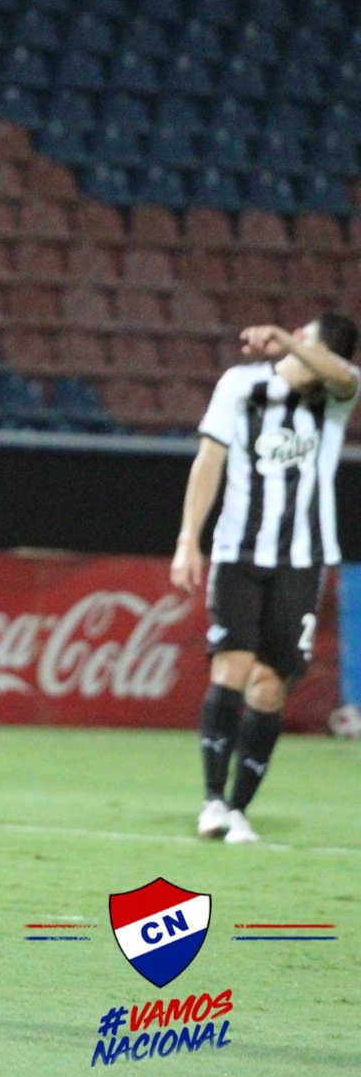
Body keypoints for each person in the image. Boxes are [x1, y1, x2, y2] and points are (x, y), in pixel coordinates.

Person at [173, 312, 358, 844]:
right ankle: (211, 799)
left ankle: (238, 809)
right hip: (238, 553)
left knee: (271, 687)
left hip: (302, 561)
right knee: (230, 668)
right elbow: (209, 460)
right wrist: (189, 538)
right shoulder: (241, 384)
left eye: (306, 335)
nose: (294, 337)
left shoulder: (335, 395)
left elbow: (345, 376)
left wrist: (287, 342)